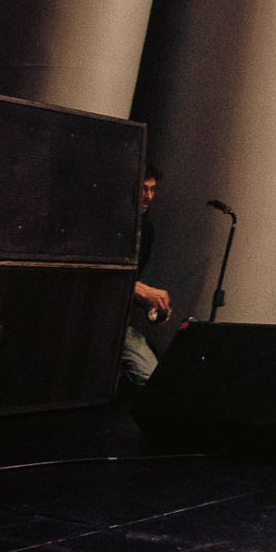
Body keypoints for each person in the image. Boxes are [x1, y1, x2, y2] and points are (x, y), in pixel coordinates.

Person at [120, 164, 170, 392]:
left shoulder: (146, 230)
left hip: (120, 323)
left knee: (151, 377)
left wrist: (151, 305)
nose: (148, 196)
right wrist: (138, 290)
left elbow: (131, 285)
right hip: (91, 321)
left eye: (152, 189)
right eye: (143, 188)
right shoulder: (109, 225)